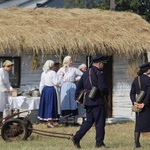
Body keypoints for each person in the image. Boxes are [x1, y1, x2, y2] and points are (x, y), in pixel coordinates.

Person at [72, 55, 109, 148]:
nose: (103, 65)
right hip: (97, 100)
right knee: (100, 122)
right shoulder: (99, 73)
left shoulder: (86, 73)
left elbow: (79, 86)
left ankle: (77, 137)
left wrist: (77, 97)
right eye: (103, 64)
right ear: (99, 63)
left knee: (89, 121)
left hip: (88, 101)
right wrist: (107, 92)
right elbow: (102, 87)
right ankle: (99, 143)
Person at [57, 56, 83, 126]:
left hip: (72, 85)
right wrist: (61, 80)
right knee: (65, 102)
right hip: (64, 86)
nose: (71, 62)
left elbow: (82, 75)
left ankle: (74, 121)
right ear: (66, 61)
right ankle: (66, 121)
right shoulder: (62, 69)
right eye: (70, 60)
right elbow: (57, 78)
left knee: (73, 101)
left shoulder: (74, 69)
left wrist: (75, 79)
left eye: (71, 60)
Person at [130, 62, 150, 148]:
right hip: (147, 105)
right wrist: (144, 103)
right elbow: (149, 93)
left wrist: (135, 102)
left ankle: (137, 143)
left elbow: (132, 93)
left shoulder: (136, 79)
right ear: (147, 70)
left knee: (138, 125)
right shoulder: (148, 80)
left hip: (138, 105)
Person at [38, 60, 63, 128]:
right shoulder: (52, 73)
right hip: (51, 90)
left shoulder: (43, 73)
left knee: (47, 105)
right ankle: (50, 122)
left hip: (45, 90)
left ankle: (47, 121)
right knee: (51, 105)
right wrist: (61, 76)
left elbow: (41, 83)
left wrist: (41, 92)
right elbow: (56, 82)